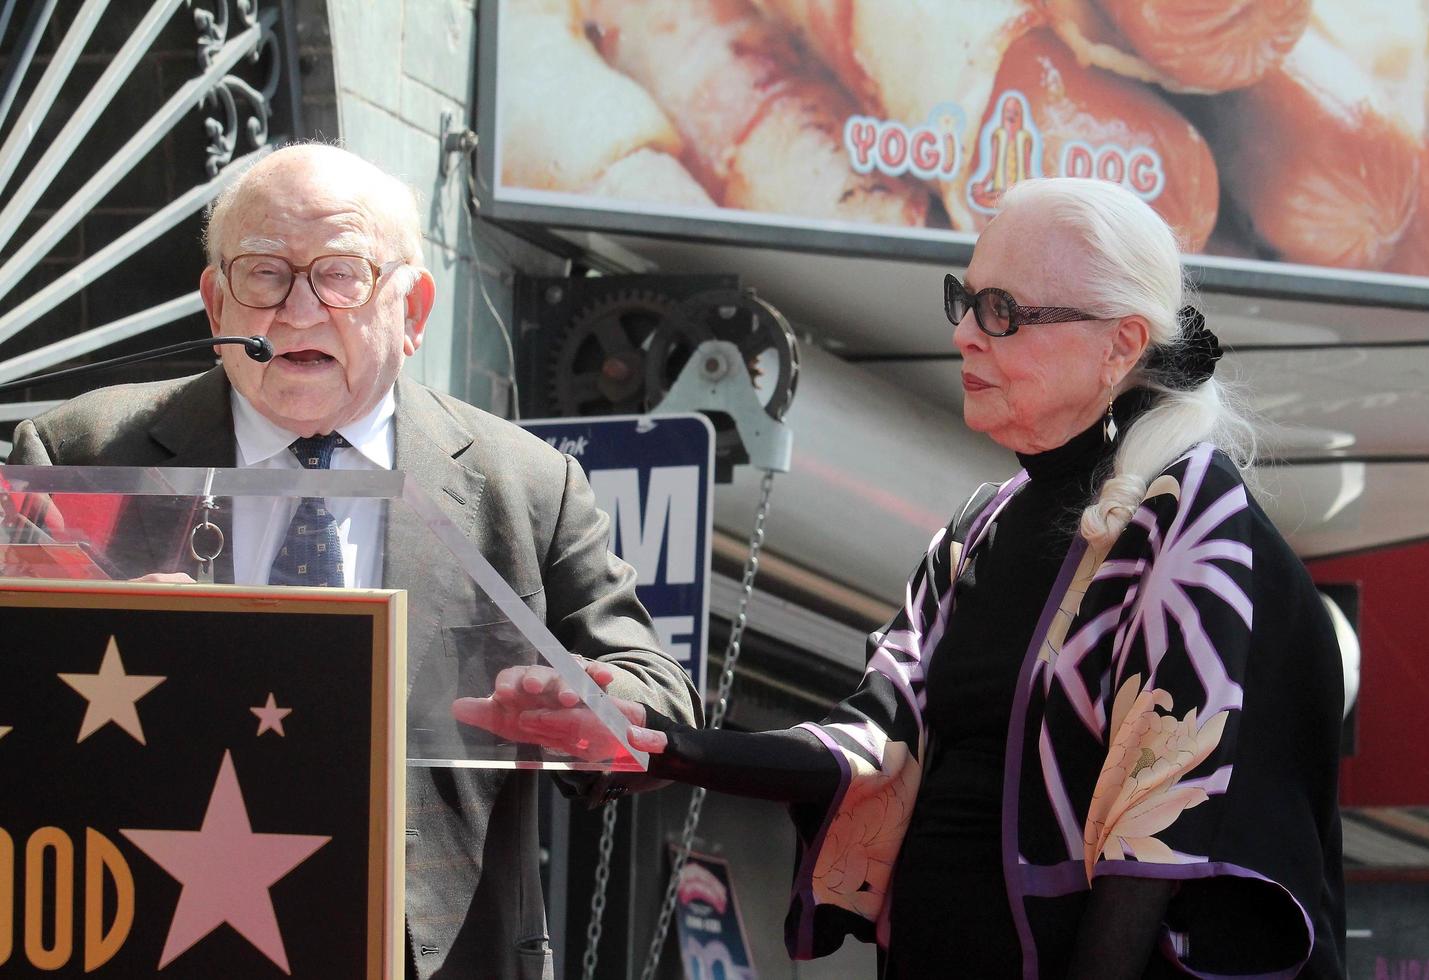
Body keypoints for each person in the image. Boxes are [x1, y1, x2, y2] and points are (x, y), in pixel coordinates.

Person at [459, 177, 1347, 978]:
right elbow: (875, 745)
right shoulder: (981, 526)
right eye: (965, 298)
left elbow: (1162, 837)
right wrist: (660, 739)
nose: (964, 331)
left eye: (1004, 310)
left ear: (1120, 344)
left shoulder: (1189, 512)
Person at [4, 143, 701, 979]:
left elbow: (660, 696)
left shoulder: (524, 485)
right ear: (214, 300)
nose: (298, 309)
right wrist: (96, 643)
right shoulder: (82, 451)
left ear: (412, 311)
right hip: (142, 934)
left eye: (340, 274)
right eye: (264, 273)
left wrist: (583, 697)